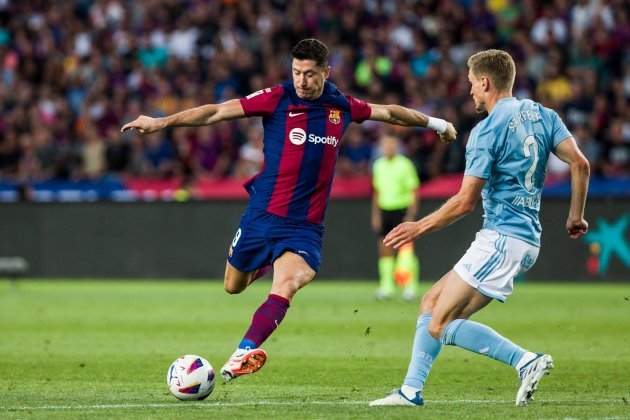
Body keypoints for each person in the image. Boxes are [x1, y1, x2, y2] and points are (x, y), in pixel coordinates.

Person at [121, 39, 457, 383]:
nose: (301, 80)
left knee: (291, 281)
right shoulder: (277, 98)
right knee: (233, 286)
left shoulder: (341, 106)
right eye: (296, 72)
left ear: (325, 72)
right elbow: (216, 111)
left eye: (310, 74)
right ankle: (267, 261)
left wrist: (436, 123)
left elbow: (389, 112)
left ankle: (243, 351)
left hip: (305, 226)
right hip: (262, 215)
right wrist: (161, 123)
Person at [369, 49, 590, 408]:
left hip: (503, 238)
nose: (470, 91)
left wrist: (419, 227)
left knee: (439, 323)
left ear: (485, 82)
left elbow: (464, 201)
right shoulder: (542, 114)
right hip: (520, 237)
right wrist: (575, 216)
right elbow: (580, 164)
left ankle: (525, 360)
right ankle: (411, 391)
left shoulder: (486, 131)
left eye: (471, 84)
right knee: (430, 304)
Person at [371, 134, 421, 301]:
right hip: (385, 210)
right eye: (385, 145)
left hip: (401, 209)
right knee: (384, 248)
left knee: (405, 249)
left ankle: (409, 286)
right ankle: (387, 287)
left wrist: (411, 215)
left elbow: (414, 191)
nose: (388, 148)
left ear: (396, 147)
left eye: (391, 145)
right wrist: (376, 215)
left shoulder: (405, 164)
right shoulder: (378, 165)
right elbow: (376, 192)